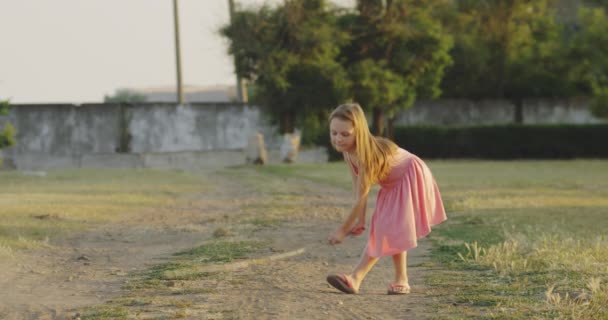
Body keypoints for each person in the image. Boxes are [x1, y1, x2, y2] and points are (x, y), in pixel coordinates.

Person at [326, 103, 447, 295]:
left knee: (386, 227)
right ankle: (401, 280)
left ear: (359, 132)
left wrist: (342, 230)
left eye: (345, 134)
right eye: (334, 133)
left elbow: (361, 197)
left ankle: (355, 278)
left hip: (410, 175)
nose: (338, 139)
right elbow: (358, 190)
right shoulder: (349, 153)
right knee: (393, 227)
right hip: (392, 184)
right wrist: (360, 221)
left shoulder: (366, 156)